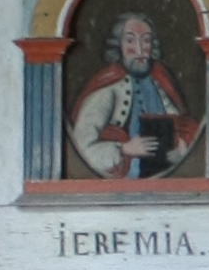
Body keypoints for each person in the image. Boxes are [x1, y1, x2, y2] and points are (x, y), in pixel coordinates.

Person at [68, 10, 197, 182]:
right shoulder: (107, 89)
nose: (139, 49)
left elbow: (183, 126)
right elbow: (82, 148)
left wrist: (181, 149)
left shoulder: (161, 80)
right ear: (118, 45)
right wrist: (125, 149)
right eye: (130, 40)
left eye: (146, 41)